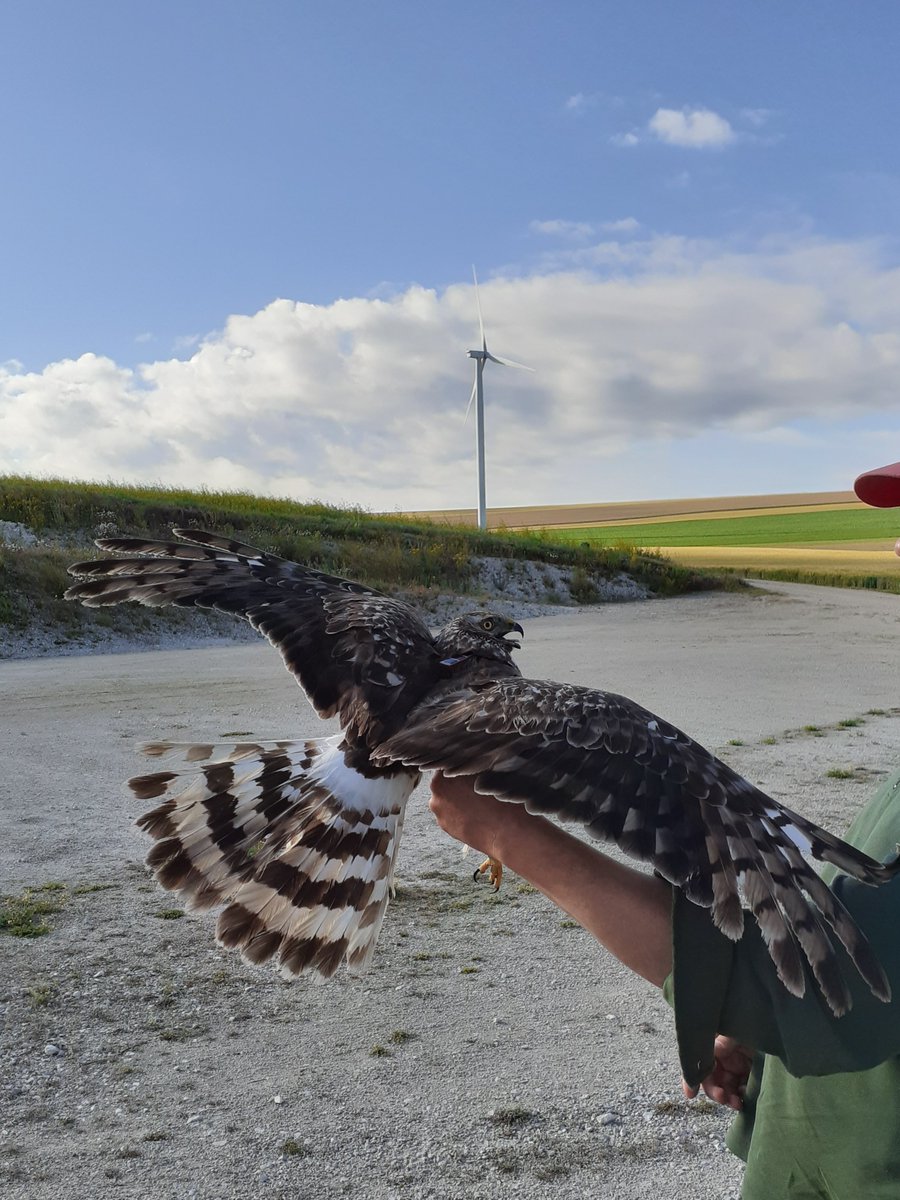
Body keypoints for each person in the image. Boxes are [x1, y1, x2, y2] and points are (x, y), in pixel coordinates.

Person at [429, 458, 900, 1200]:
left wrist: (510, 837)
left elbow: (832, 1001)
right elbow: (861, 960)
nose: (896, 548)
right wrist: (765, 1040)